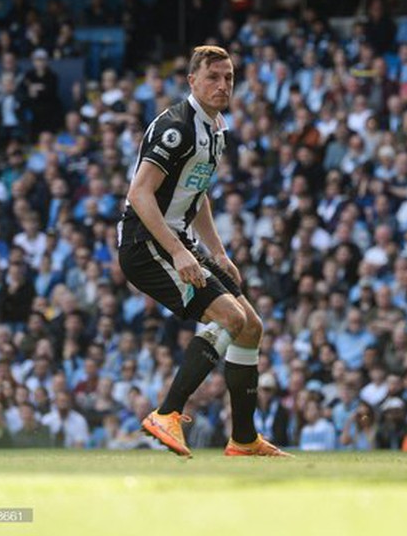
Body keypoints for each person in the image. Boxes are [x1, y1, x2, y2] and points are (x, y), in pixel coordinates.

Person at [117, 45, 289, 458]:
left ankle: (244, 440)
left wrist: (218, 250)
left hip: (182, 239)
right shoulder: (175, 127)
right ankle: (166, 414)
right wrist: (179, 252)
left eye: (228, 77)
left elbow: (198, 192)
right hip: (147, 243)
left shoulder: (216, 128)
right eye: (213, 77)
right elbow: (139, 194)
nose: (222, 85)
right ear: (192, 80)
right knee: (231, 317)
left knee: (251, 326)